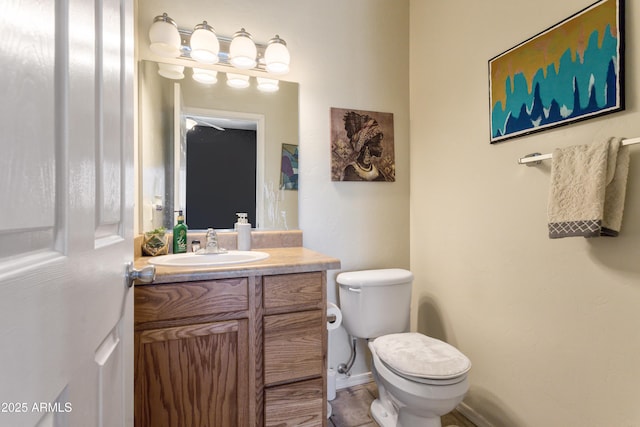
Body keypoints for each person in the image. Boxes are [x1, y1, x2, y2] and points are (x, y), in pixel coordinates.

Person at [342, 113, 387, 181]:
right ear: (365, 147)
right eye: (377, 143)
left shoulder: (379, 173)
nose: (381, 147)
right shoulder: (351, 171)